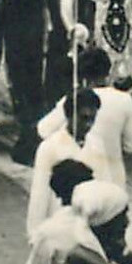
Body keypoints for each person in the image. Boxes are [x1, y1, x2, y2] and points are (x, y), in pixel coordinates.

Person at [35, 47, 132, 186]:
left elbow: (43, 129)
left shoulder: (75, 99)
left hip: (79, 180)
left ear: (82, 75)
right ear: (108, 72)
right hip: (114, 182)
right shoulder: (124, 100)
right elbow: (131, 145)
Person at [27, 86, 103, 233]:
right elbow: (39, 196)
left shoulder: (97, 144)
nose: (88, 125)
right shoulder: (49, 147)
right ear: (69, 115)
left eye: (92, 119)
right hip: (57, 226)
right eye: (83, 118)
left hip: (87, 228)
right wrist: (36, 233)